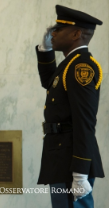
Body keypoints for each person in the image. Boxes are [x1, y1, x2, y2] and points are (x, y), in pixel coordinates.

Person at [36, 5, 105, 208]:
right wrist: (45, 49)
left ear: (76, 34)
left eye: (59, 29)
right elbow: (51, 82)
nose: (53, 33)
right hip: (61, 156)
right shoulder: (70, 63)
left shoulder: (80, 67)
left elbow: (85, 121)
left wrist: (80, 172)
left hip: (71, 161)